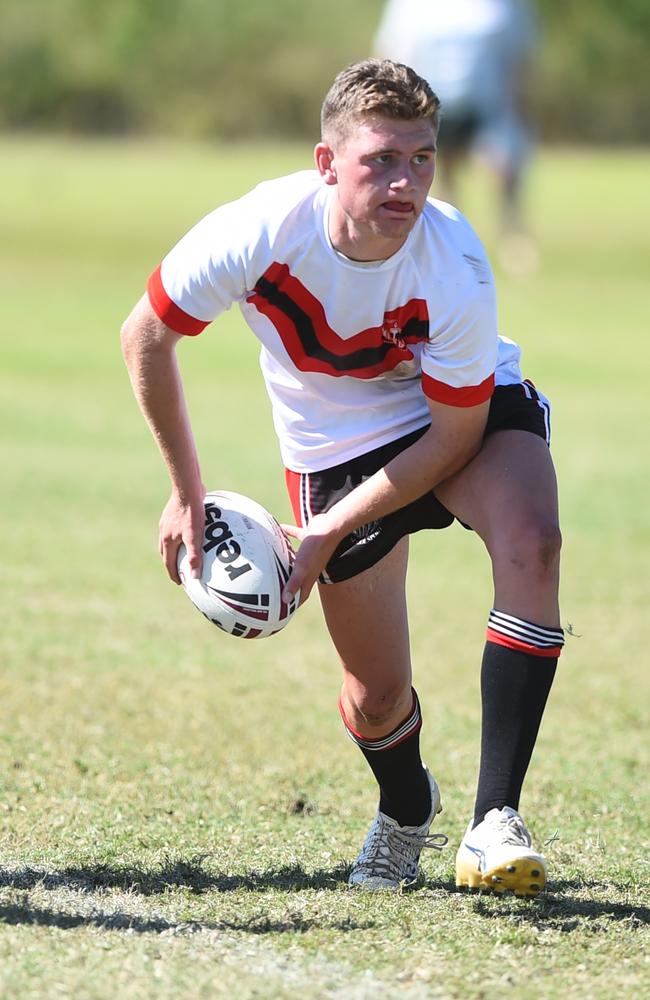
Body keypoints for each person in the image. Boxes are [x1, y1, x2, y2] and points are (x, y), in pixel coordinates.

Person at [121, 59, 563, 896]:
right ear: (328, 163)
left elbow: (455, 436)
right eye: (381, 160)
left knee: (533, 542)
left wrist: (322, 535)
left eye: (423, 158)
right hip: (331, 446)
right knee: (373, 695)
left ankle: (494, 821)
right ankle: (406, 807)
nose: (406, 183)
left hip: (453, 417)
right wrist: (186, 490)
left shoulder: (453, 261)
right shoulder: (259, 230)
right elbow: (146, 335)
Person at [375, 0, 539, 272]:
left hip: (489, 103)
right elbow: (393, 51)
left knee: (504, 168)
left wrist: (520, 102)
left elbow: (519, 55)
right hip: (432, 103)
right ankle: (451, 249)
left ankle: (513, 245)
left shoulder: (505, 6)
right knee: (443, 176)